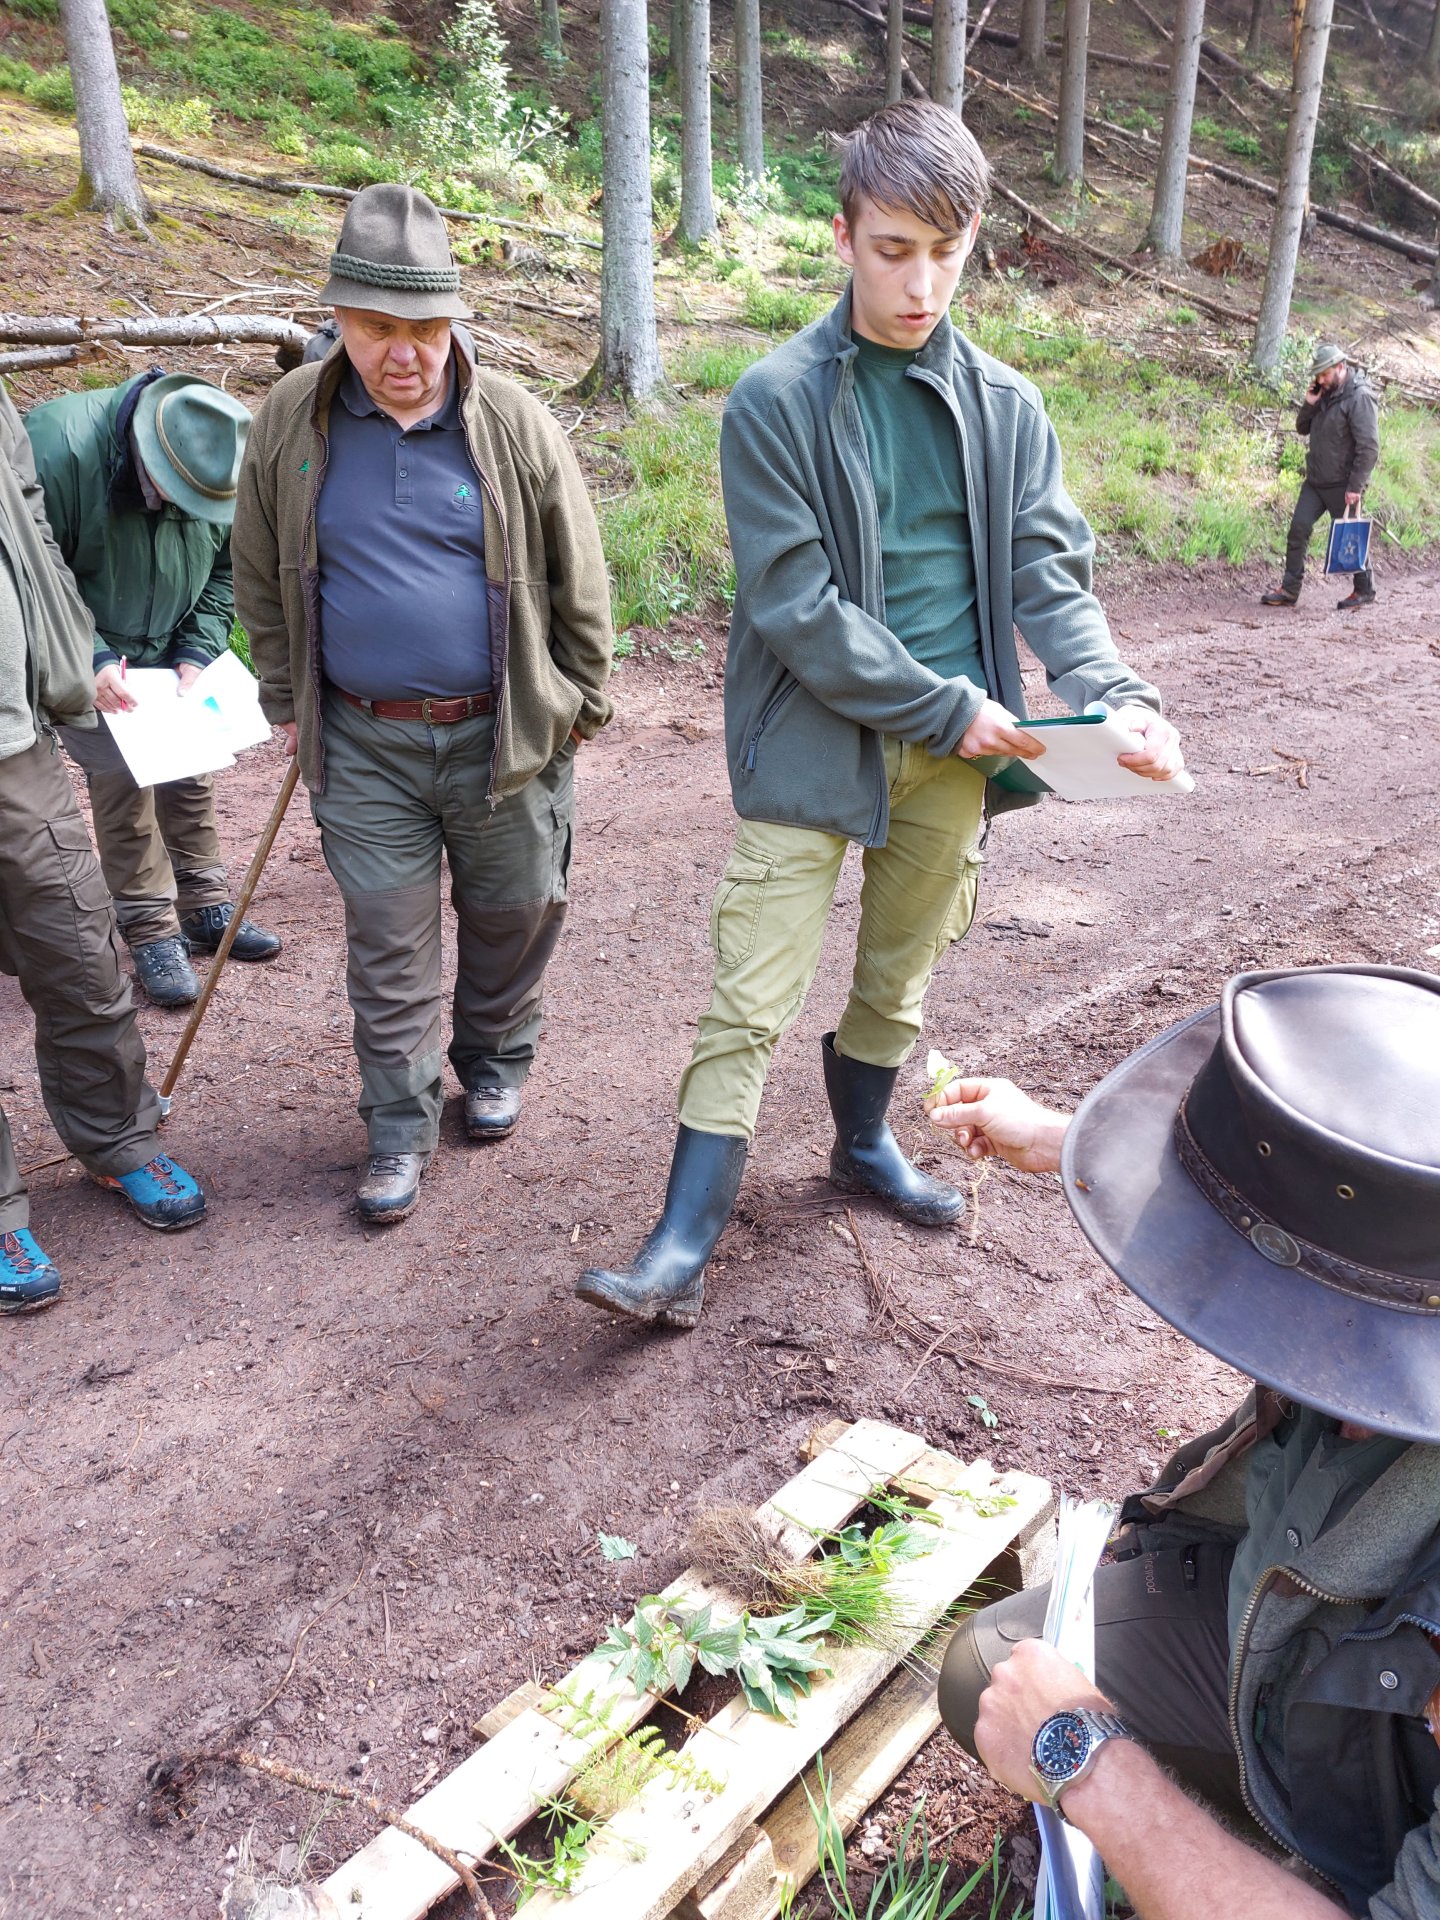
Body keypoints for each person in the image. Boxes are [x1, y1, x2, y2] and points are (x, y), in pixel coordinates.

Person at [576, 100, 1183, 1332]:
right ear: (844, 235)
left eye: (947, 253)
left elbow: (1050, 577)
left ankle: (861, 1147)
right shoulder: (775, 399)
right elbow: (796, 607)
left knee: (899, 972)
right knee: (751, 992)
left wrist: (1117, 697)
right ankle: (682, 1242)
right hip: (814, 743)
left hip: (960, 759)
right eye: (895, 250)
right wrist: (945, 703)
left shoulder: (1008, 405)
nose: (921, 284)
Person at [926, 965, 1440, 1920]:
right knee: (991, 1663)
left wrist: (1092, 1766)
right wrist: (1064, 1139)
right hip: (1307, 1643)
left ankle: (1291, 1879)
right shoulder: (1407, 1269)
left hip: (1388, 1741)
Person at [233, 184, 614, 1226]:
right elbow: (258, 568)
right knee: (388, 945)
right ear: (336, 320)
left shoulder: (512, 422)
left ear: (455, 320)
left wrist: (581, 703)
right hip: (364, 741)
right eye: (377, 328)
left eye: (427, 329)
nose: (405, 353)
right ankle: (397, 1129)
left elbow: (580, 575)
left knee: (515, 915)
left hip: (505, 733)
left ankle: (493, 1059)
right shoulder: (292, 419)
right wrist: (286, 695)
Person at [0, 384, 206, 1311]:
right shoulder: (72, 440)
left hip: (16, 736)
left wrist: (71, 654)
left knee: (79, 949)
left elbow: (28, 529)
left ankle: (119, 1138)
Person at [24, 370, 280, 1010]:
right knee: (122, 778)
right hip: (84, 643)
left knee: (189, 763)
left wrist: (197, 648)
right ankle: (149, 927)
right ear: (148, 456)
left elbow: (226, 569)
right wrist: (86, 656)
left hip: (168, 639)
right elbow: (34, 573)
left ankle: (203, 901)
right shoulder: (57, 452)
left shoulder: (224, 460)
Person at [1261, 342, 1380, 613]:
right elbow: (1302, 427)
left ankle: (1365, 589)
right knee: (1298, 529)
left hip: (1343, 484)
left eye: (1324, 374)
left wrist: (1355, 486)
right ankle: (1290, 590)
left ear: (1340, 367)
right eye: (1318, 374)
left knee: (1351, 538)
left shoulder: (1360, 397)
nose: (1320, 379)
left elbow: (1369, 447)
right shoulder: (1324, 393)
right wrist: (1309, 402)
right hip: (1315, 480)